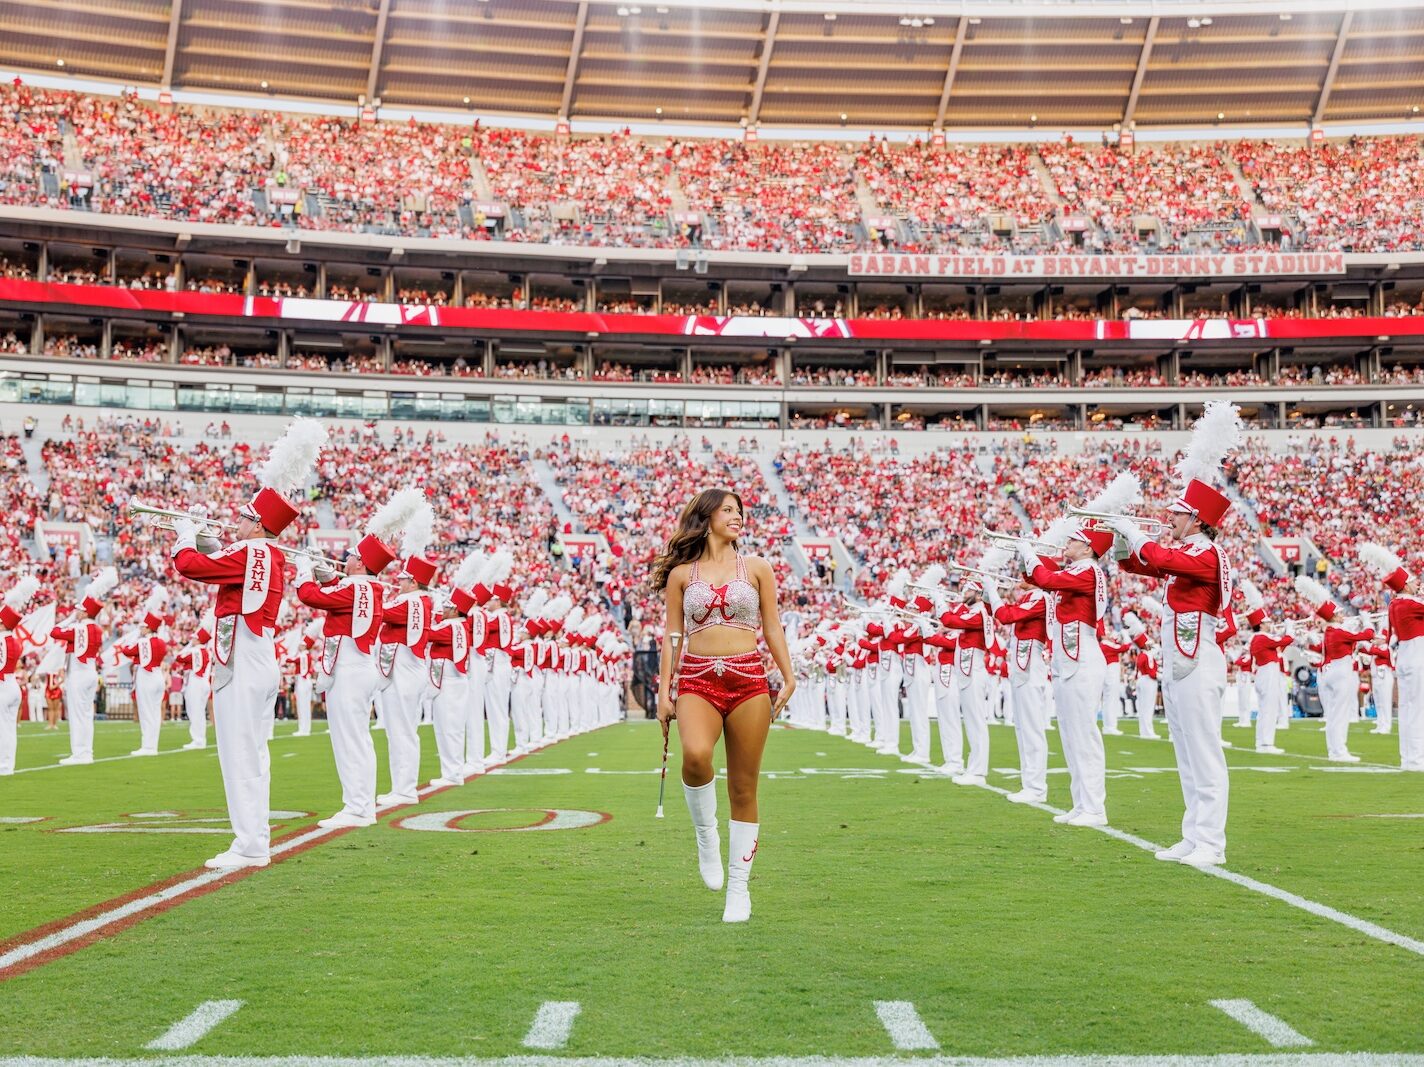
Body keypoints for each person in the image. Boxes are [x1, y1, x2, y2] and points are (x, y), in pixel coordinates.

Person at [170, 416, 327, 868]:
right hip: (262, 656)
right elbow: (224, 562)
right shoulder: (270, 555)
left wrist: (185, 536)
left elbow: (192, 568)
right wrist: (206, 539)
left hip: (241, 657)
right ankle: (255, 839)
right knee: (254, 753)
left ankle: (249, 844)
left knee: (238, 754)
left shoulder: (250, 550)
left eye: (243, 517)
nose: (235, 522)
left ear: (258, 525)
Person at [654, 488, 795, 923]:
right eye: (728, 510)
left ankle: (739, 888)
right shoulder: (681, 575)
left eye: (739, 511)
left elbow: (771, 624)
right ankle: (705, 835)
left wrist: (788, 675)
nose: (737, 517)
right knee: (695, 758)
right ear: (706, 517)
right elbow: (672, 636)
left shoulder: (756, 567)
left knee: (743, 787)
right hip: (696, 678)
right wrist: (664, 691)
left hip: (749, 677)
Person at [1110, 401, 1242, 867]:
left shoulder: (1204, 554)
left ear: (1198, 520)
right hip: (1180, 660)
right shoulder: (1186, 551)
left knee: (1204, 752)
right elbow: (1142, 565)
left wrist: (1134, 532)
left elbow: (1162, 560)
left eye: (1178, 515)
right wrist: (1120, 542)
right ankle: (1194, 833)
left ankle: (1213, 842)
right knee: (1185, 750)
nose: (1170, 519)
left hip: (1199, 658)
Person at [1019, 525, 1114, 826]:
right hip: (1069, 658)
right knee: (1070, 735)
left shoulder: (1086, 571)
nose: (1067, 543)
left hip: (1083, 657)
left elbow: (1045, 578)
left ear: (1088, 549)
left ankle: (1095, 808)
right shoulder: (1078, 570)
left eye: (1074, 540)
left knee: (1083, 734)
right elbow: (1038, 578)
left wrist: (1027, 550)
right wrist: (1026, 557)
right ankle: (1081, 803)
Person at [987, 576, 1050, 803]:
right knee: (1023, 728)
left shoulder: (1040, 597)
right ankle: (1029, 785)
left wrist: (992, 592)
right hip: (1023, 663)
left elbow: (1006, 616)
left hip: (1031, 663)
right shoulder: (1031, 597)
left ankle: (1036, 787)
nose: (1022, 575)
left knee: (1031, 728)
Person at [51, 568, 117, 766]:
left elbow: (55, 632)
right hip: (90, 672)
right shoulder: (96, 629)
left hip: (79, 674)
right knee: (86, 715)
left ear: (86, 611)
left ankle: (79, 753)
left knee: (78, 714)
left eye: (79, 609)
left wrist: (71, 619)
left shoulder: (78, 627)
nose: (76, 612)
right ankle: (86, 751)